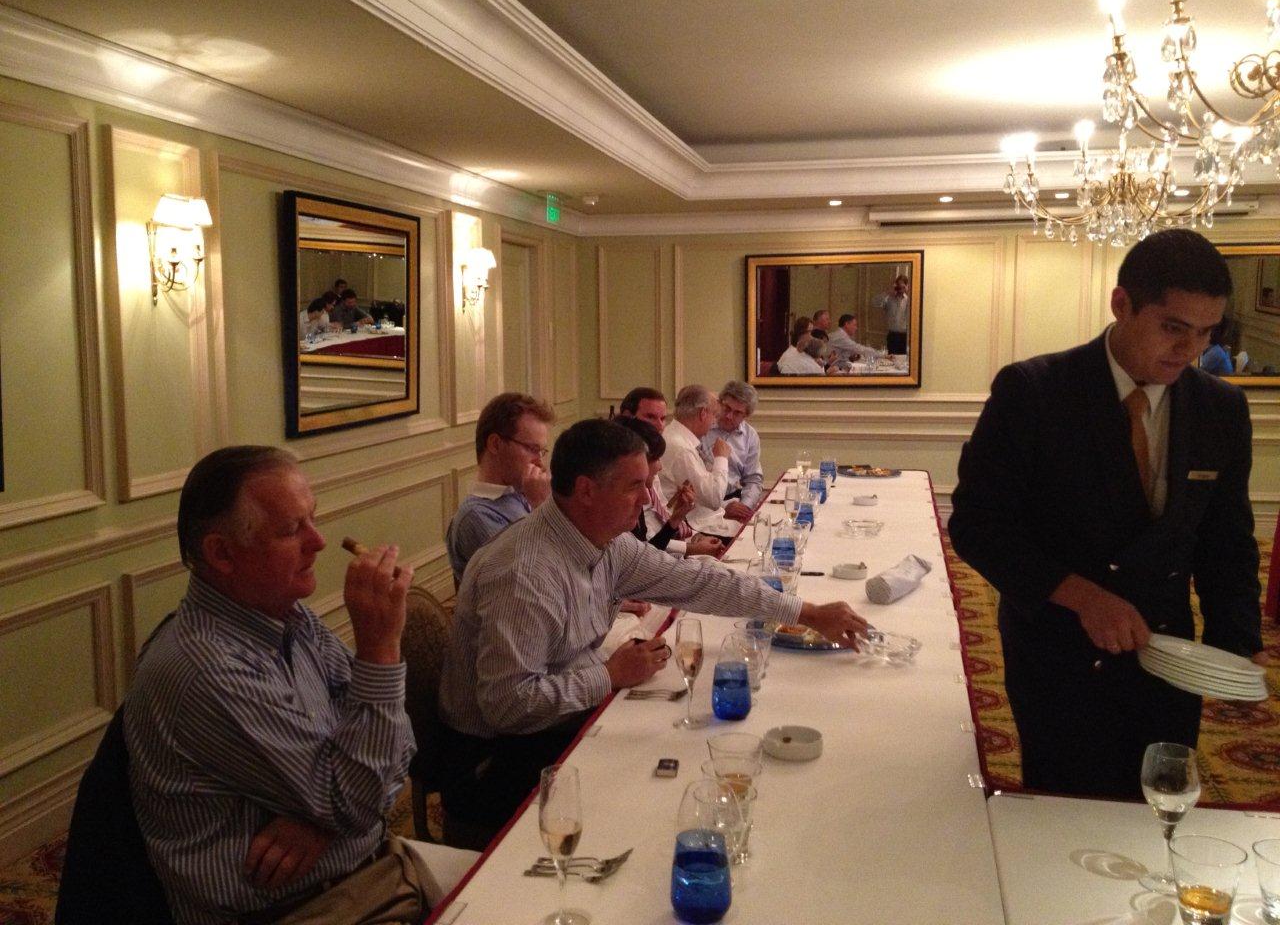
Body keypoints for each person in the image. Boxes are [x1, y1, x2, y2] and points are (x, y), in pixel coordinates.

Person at [436, 419, 870, 841]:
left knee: (693, 751)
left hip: (552, 726)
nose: (647, 498)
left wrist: (806, 612)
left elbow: (699, 582)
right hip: (496, 763)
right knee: (676, 796)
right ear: (586, 490)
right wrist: (608, 675)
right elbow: (508, 705)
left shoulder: (604, 541)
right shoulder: (523, 573)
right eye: (635, 486)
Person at [949, 229, 1263, 800]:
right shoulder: (1036, 391)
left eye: (1206, 333)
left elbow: (1227, 538)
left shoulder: (1220, 407)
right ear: (1122, 304)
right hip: (1059, 647)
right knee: (1067, 804)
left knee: (1157, 799)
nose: (1189, 350)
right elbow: (977, 524)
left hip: (1168, 649)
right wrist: (1082, 595)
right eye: (1173, 327)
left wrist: (1234, 643)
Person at [123, 446, 475, 925]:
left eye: (313, 519)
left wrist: (323, 820)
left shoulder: (290, 619)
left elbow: (398, 745)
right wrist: (379, 649)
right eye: (292, 529)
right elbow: (360, 790)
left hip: (369, 870)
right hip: (297, 909)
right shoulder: (208, 669)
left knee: (530, 883)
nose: (319, 541)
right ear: (222, 553)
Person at [446, 393, 554, 586]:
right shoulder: (476, 517)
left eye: (542, 452)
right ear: (495, 444)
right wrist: (542, 507)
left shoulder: (519, 493)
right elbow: (530, 582)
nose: (540, 463)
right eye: (532, 449)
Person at [614, 415, 719, 558]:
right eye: (650, 417)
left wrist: (676, 518)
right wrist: (691, 549)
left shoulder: (647, 484)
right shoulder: (621, 506)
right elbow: (643, 556)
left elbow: (645, 553)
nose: (660, 467)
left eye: (662, 418)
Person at [659, 384, 732, 513]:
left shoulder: (675, 435)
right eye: (714, 415)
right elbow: (714, 499)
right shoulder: (681, 449)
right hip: (695, 522)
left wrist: (726, 506)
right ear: (703, 413)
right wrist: (721, 458)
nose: (714, 422)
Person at [703, 380, 764, 522]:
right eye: (727, 408)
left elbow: (753, 479)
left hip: (734, 499)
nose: (729, 416)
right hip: (703, 503)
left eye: (737, 413)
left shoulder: (750, 436)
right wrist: (723, 508)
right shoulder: (703, 427)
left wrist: (744, 506)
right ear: (719, 403)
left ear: (746, 415)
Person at [874, 275, 911, 354]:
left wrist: (909, 292)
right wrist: (887, 292)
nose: (900, 289)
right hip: (892, 335)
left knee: (904, 358)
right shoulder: (889, 299)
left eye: (902, 286)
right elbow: (875, 303)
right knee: (891, 358)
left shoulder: (909, 300)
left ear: (906, 286)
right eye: (898, 286)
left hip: (905, 335)